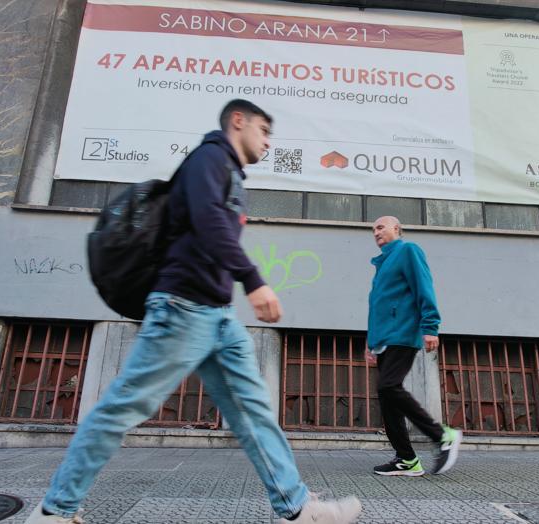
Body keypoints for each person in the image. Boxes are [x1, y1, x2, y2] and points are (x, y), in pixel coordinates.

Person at [25, 99, 361, 524]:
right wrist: (253, 280)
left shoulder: (230, 173)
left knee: (252, 410)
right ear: (238, 121)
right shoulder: (210, 158)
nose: (268, 142)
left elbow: (214, 230)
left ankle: (294, 507)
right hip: (182, 308)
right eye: (263, 130)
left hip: (216, 315)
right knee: (123, 407)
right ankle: (56, 510)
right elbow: (208, 221)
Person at [366, 216, 462, 477]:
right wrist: (371, 342)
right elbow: (378, 307)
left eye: (380, 227)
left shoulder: (408, 250)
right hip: (384, 338)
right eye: (373, 229)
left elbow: (424, 287)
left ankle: (442, 435)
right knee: (387, 398)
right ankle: (406, 459)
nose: (375, 232)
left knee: (389, 386)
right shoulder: (382, 264)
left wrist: (430, 326)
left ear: (396, 229)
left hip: (403, 333)